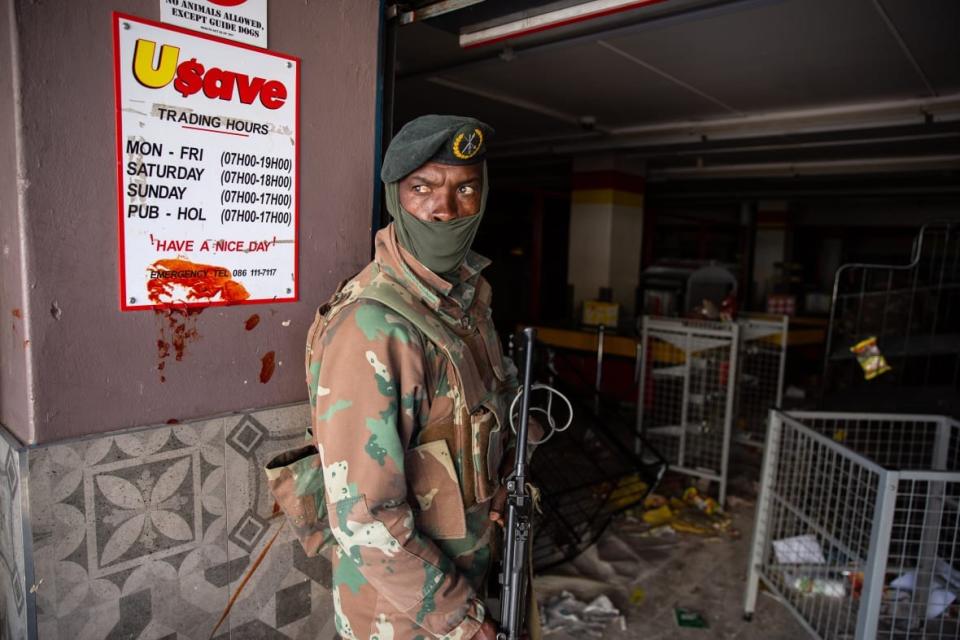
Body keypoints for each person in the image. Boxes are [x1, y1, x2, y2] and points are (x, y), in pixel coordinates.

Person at [305, 115, 514, 640]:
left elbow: (482, 414)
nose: (445, 209)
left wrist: (501, 479)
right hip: (403, 616)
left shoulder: (467, 302)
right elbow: (364, 519)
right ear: (396, 198)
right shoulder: (374, 326)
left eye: (464, 188)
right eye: (423, 188)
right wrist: (465, 623)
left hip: (465, 577)